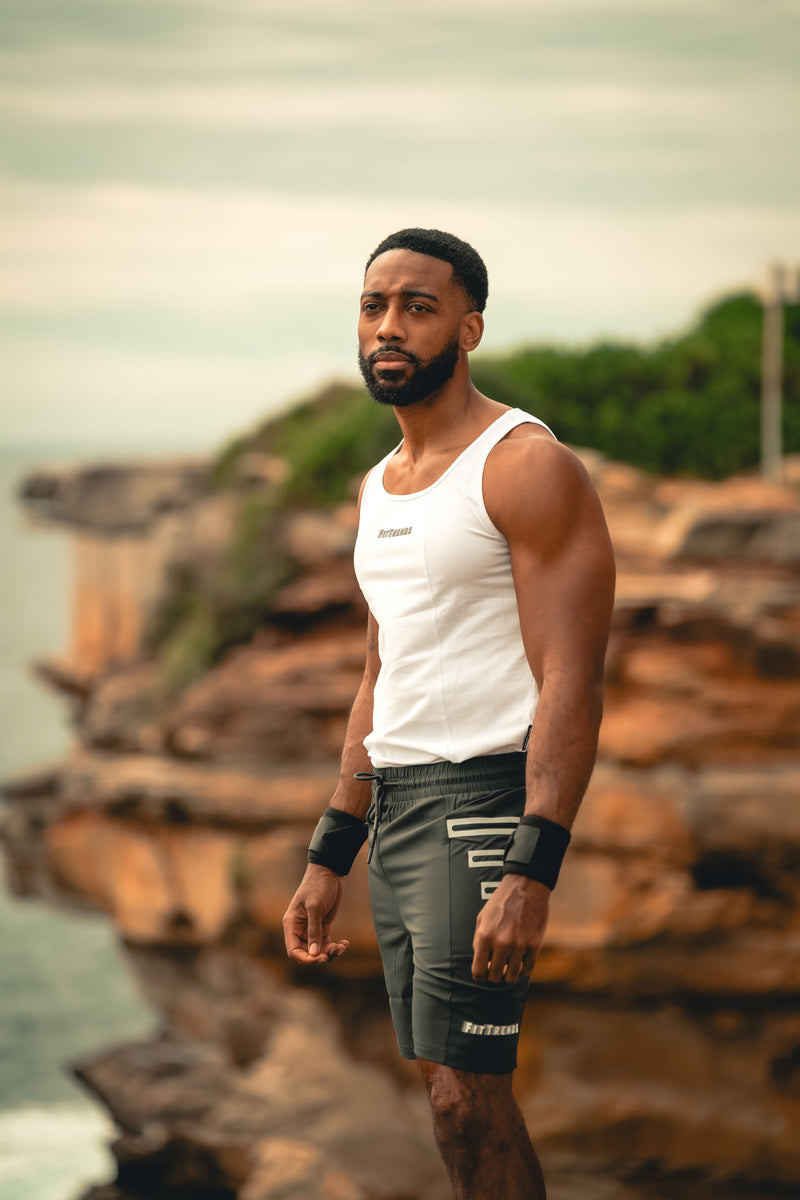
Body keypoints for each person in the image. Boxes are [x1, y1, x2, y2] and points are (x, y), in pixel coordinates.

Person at [283, 228, 615, 1200]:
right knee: (448, 1087)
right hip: (397, 811)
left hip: (480, 799)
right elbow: (381, 671)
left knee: (464, 1098)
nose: (387, 326)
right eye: (372, 304)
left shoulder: (521, 465)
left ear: (466, 327)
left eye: (416, 307)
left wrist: (530, 866)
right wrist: (328, 849)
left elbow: (570, 674)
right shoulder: (377, 485)